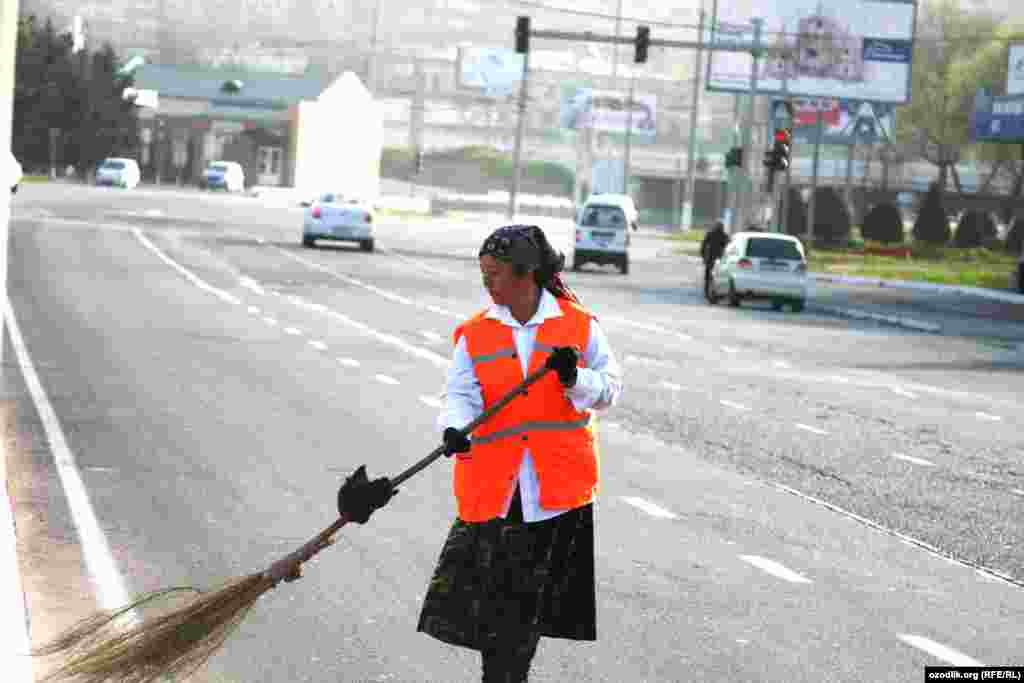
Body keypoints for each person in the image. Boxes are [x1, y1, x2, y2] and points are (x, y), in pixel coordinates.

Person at [416, 224, 623, 682]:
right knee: (495, 617)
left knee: (518, 621)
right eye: (483, 274)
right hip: (494, 493)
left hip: (554, 496)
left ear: (526, 274)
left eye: (494, 274)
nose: (486, 283)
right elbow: (459, 395)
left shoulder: (578, 326)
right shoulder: (475, 333)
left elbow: (610, 391)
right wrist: (453, 429)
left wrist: (575, 380)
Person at [700, 221, 730, 300]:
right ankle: (716, 292)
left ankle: (707, 292)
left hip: (710, 259)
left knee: (708, 277)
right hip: (720, 259)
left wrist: (703, 257)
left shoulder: (710, 234)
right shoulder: (724, 236)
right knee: (718, 276)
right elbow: (728, 247)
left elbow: (703, 246)